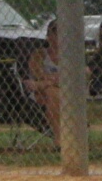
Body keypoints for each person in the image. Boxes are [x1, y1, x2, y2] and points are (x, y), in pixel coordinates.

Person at [24, 19, 61, 149]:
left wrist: (43, 83)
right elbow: (38, 74)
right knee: (51, 92)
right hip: (41, 94)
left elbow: (80, 74)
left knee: (52, 92)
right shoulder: (39, 54)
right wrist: (54, 80)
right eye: (55, 33)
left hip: (64, 92)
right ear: (49, 36)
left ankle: (59, 137)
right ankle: (59, 137)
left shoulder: (71, 55)